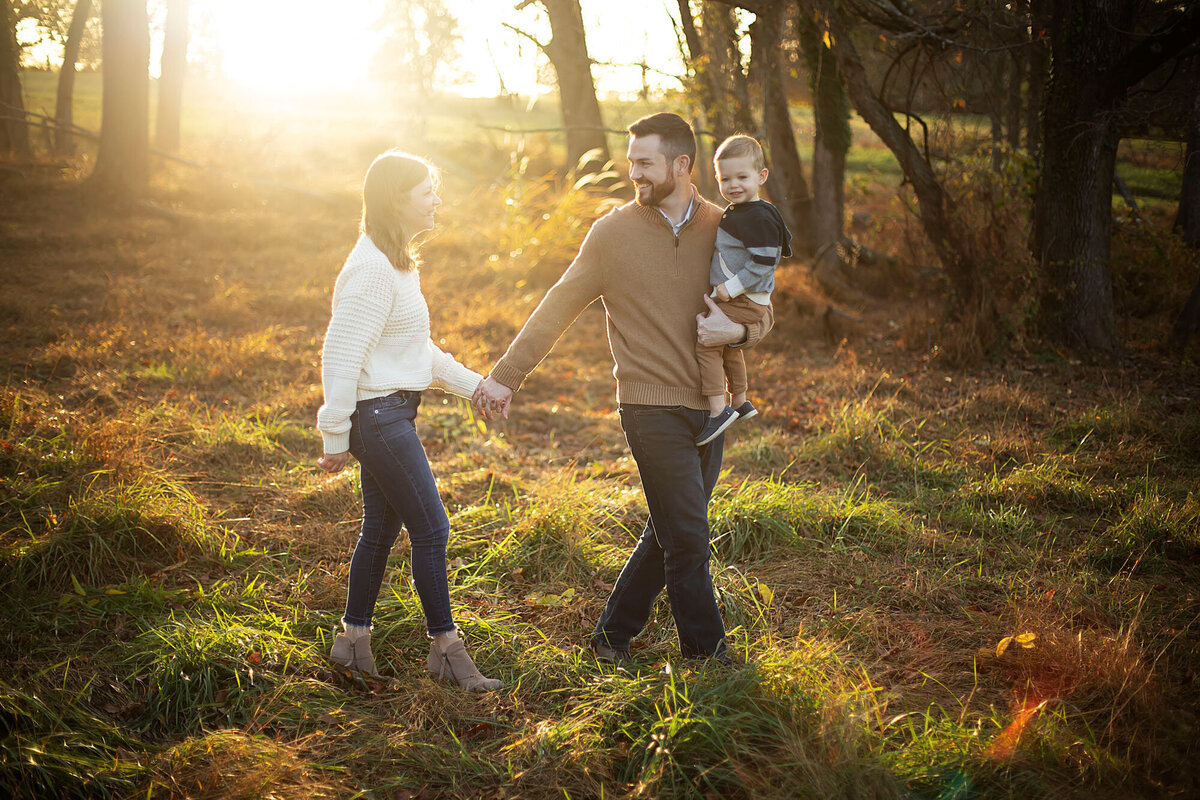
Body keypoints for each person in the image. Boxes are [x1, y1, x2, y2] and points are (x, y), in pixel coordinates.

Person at [473, 113, 773, 662]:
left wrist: (741, 330)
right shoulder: (611, 234)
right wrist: (505, 376)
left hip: (712, 409)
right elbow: (557, 305)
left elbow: (761, 306)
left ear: (682, 165)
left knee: (672, 530)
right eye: (630, 160)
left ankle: (612, 636)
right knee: (687, 534)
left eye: (643, 162)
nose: (631, 171)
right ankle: (707, 658)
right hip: (647, 406)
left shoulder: (727, 225)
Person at [316, 150, 502, 692]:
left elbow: (416, 350)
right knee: (432, 528)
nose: (436, 202)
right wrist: (334, 435)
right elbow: (340, 357)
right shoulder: (372, 270)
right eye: (427, 193)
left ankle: (351, 642)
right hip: (378, 420)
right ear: (398, 199)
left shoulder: (394, 261)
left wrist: (476, 387)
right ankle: (445, 648)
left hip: (389, 413)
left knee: (382, 528)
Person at [694, 134, 792, 446]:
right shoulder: (749, 210)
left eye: (742, 177)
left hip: (744, 297)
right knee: (728, 347)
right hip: (748, 297)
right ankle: (740, 401)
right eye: (725, 178)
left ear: (761, 176)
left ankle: (717, 410)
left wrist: (729, 289)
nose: (733, 184)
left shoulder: (756, 216)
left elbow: (765, 262)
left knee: (708, 343)